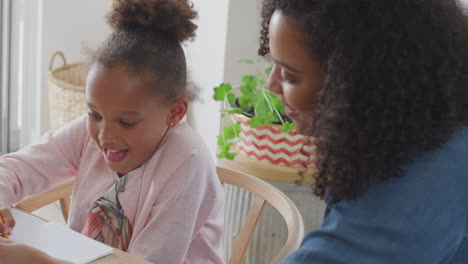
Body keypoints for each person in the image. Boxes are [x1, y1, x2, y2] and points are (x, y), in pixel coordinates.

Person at [0, 0, 224, 263]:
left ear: (174, 113)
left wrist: (36, 259)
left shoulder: (187, 162)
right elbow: (17, 168)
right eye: (95, 114)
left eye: (127, 123)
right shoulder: (90, 133)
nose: (105, 136)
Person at [259, 0, 468, 263]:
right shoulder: (409, 137)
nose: (271, 86)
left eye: (290, 76)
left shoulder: (418, 190)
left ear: (356, 85)